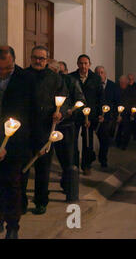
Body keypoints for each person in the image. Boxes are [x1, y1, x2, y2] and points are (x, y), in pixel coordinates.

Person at [23, 46, 68, 215]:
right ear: (30, 58)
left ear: (47, 60)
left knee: (43, 169)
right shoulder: (22, 76)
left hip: (45, 130)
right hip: (25, 131)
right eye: (35, 57)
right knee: (23, 167)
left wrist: (60, 113)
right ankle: (20, 201)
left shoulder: (55, 78)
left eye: (42, 58)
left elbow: (65, 100)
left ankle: (41, 201)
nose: (38, 61)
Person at [0, 46, 33, 239]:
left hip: (16, 142)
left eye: (7, 69)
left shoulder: (25, 79)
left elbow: (31, 112)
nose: (4, 73)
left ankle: (13, 225)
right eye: (0, 69)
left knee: (12, 185)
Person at [48, 59, 85, 202]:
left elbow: (80, 100)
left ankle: (69, 189)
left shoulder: (70, 82)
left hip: (66, 126)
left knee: (67, 159)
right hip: (49, 125)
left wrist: (70, 111)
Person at [69, 55, 104, 176]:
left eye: (86, 63)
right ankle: (73, 165)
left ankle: (86, 165)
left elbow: (100, 97)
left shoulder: (96, 78)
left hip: (90, 115)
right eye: (81, 63)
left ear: (89, 64)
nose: (83, 66)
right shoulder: (71, 77)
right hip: (75, 114)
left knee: (87, 141)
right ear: (77, 64)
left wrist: (100, 113)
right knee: (72, 140)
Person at [95, 66, 120, 168]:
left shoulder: (112, 86)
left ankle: (103, 159)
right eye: (97, 73)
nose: (99, 75)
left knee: (105, 140)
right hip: (96, 116)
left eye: (101, 72)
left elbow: (117, 101)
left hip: (108, 118)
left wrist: (118, 115)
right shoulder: (94, 85)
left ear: (105, 74)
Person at [115, 76, 134, 150]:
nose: (122, 84)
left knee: (126, 129)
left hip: (127, 113)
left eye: (123, 82)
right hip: (118, 113)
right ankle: (118, 142)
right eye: (121, 82)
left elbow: (132, 101)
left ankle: (124, 144)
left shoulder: (130, 90)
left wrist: (131, 111)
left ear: (126, 83)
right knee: (119, 129)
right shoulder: (117, 89)